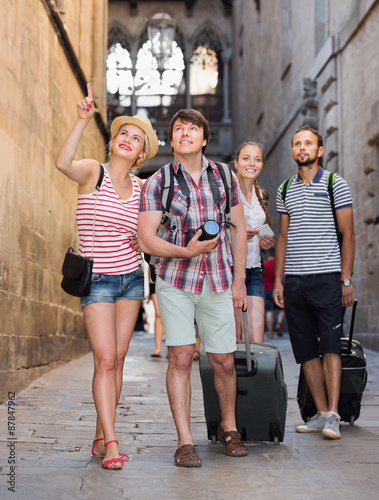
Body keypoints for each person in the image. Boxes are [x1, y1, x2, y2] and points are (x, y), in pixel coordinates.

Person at [137, 109, 249, 467]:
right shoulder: (158, 182)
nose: (185, 133)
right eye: (178, 129)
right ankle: (185, 441)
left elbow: (238, 228)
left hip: (218, 278)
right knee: (181, 357)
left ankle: (229, 429)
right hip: (176, 281)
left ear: (204, 138)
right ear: (171, 141)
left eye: (193, 128)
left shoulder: (224, 176)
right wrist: (185, 251)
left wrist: (240, 280)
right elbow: (145, 239)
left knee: (224, 361)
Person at [55, 83, 158, 469]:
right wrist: (82, 121)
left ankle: (102, 432)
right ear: (113, 141)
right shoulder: (92, 173)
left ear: (143, 153)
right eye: (123, 134)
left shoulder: (145, 189)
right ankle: (112, 444)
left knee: (118, 359)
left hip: (132, 279)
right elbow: (63, 162)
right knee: (106, 358)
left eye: (136, 139)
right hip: (97, 278)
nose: (128, 140)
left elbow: (154, 233)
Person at [273, 125, 355, 440]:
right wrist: (279, 281)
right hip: (294, 281)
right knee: (306, 350)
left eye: (308, 143)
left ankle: (334, 414)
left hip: (327, 278)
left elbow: (348, 234)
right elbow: (282, 237)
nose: (302, 147)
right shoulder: (284, 190)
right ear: (293, 151)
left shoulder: (336, 184)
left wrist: (346, 278)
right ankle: (320, 413)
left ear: (319, 150)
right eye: (297, 143)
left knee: (331, 347)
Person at [230, 142, 274, 342]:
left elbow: (263, 227)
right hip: (230, 271)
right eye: (246, 158)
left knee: (257, 340)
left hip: (255, 271)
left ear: (262, 165)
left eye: (257, 159)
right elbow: (213, 228)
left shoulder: (261, 195)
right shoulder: (227, 192)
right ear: (236, 163)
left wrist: (266, 240)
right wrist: (235, 233)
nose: (252, 163)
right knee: (236, 338)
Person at [262, 247, 285, 338]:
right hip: (279, 290)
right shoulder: (279, 265)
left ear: (268, 254)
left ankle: (270, 331)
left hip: (268, 291)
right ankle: (279, 324)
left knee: (269, 311)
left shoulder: (264, 264)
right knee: (282, 309)